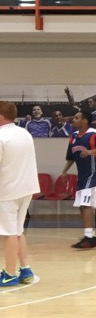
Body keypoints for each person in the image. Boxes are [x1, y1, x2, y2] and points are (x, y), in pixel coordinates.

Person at [58, 111, 96, 250]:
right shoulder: (73, 137)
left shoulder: (95, 134)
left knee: (86, 203)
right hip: (83, 176)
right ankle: (91, 237)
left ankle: (88, 238)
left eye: (76, 118)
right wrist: (64, 171)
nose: (73, 120)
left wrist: (91, 151)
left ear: (85, 121)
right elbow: (71, 157)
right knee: (82, 205)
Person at [0, 100, 41, 287]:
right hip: (26, 188)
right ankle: (25, 269)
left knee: (8, 233)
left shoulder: (1, 136)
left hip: (7, 190)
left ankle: (9, 274)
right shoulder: (24, 133)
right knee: (17, 230)